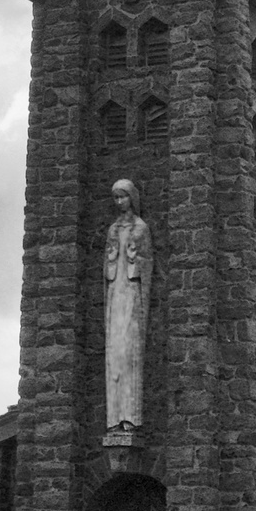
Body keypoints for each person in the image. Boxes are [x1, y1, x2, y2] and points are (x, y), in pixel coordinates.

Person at [104, 178, 151, 429]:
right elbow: (108, 267)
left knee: (129, 351)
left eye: (123, 196)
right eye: (116, 198)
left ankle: (131, 416)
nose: (120, 202)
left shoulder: (141, 229)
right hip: (115, 295)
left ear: (132, 198)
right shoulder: (113, 230)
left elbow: (147, 265)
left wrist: (136, 259)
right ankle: (114, 417)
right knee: (115, 353)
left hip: (132, 294)